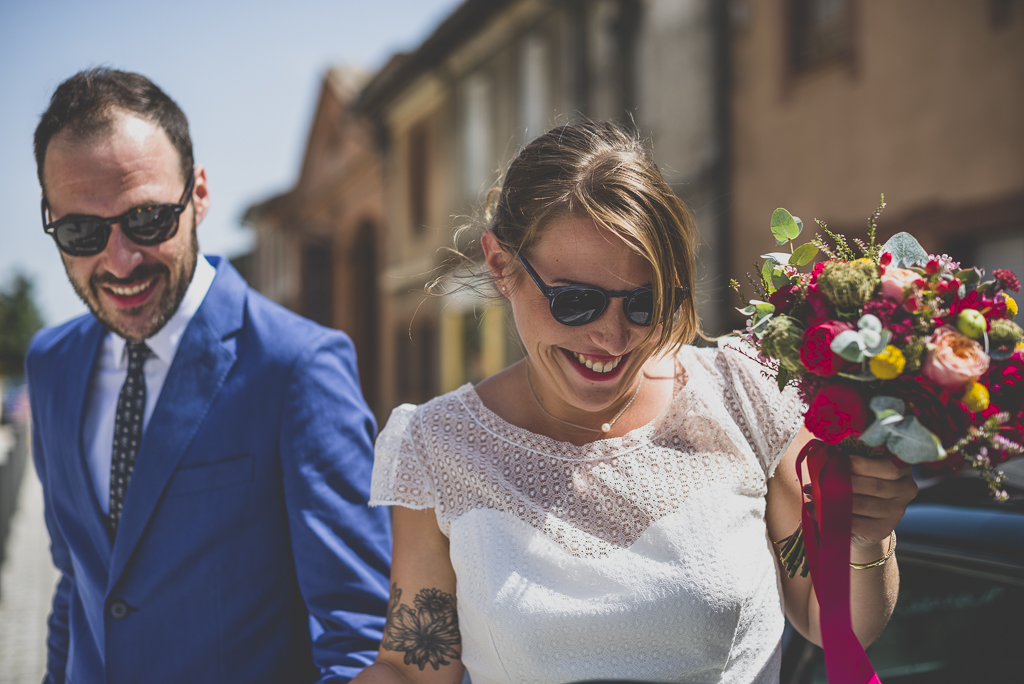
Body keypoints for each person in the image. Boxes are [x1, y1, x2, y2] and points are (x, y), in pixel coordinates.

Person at [358, 121, 917, 684]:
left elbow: (834, 623)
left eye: (646, 302)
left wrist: (868, 533)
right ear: (502, 266)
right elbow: (412, 670)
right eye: (577, 302)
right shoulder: (439, 445)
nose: (614, 337)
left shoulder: (746, 397)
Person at [25, 68, 391, 684]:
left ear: (197, 194)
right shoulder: (51, 362)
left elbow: (362, 631)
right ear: (52, 221)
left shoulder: (298, 367)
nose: (120, 260)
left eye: (146, 220)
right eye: (82, 231)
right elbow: (80, 585)